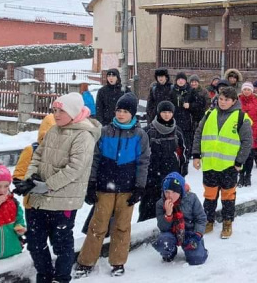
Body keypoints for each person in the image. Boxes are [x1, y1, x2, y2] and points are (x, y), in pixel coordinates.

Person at [18, 93, 101, 283]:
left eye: (60, 110)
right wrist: (30, 179)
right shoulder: (54, 130)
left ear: (72, 112)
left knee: (61, 244)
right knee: (35, 243)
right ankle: (44, 276)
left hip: (63, 200)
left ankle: (61, 278)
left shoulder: (84, 135)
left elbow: (75, 169)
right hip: (39, 199)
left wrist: (46, 186)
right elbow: (37, 156)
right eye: (54, 110)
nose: (56, 114)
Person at [75, 93, 150, 278]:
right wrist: (91, 184)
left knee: (122, 227)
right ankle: (86, 262)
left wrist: (140, 187)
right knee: (98, 226)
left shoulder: (140, 135)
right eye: (119, 110)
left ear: (132, 114)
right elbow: (95, 159)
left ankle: (118, 262)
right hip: (104, 188)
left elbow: (143, 162)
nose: (121, 114)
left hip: (127, 189)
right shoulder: (105, 131)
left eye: (125, 111)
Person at [192, 87, 253, 239]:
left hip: (229, 166)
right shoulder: (209, 114)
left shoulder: (241, 117)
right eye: (221, 99)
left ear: (233, 101)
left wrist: (240, 161)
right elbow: (198, 134)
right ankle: (208, 221)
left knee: (228, 197)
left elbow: (247, 142)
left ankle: (227, 222)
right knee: (209, 196)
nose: (223, 102)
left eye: (226, 100)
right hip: (210, 164)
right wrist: (196, 155)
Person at [139, 101, 186, 222]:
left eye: (169, 112)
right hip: (152, 174)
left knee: (171, 203)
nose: (167, 115)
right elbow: (140, 153)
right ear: (159, 113)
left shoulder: (178, 131)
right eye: (164, 112)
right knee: (148, 204)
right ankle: (145, 227)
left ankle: (170, 225)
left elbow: (183, 151)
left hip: (171, 173)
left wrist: (183, 168)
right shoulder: (148, 131)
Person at [152, 173, 208, 265]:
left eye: (174, 192)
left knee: (197, 259)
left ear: (181, 191)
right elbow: (162, 228)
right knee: (163, 242)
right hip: (171, 233)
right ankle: (171, 251)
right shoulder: (160, 204)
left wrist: (197, 234)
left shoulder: (192, 198)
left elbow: (201, 218)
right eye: (167, 192)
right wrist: (168, 215)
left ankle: (197, 248)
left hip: (190, 232)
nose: (170, 195)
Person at [14, 113, 55, 209]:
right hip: (33, 204)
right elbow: (18, 175)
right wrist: (29, 183)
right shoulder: (31, 150)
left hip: (56, 204)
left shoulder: (65, 152)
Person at [170, 72, 199, 176]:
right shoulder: (172, 91)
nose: (180, 81)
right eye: (179, 79)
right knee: (174, 145)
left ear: (185, 81)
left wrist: (190, 105)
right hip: (173, 122)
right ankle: (174, 164)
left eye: (182, 79)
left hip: (187, 123)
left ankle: (184, 165)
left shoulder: (191, 91)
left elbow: (199, 104)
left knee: (185, 145)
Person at [239, 82, 257, 184]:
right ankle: (241, 175)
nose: (246, 91)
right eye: (245, 89)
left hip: (253, 132)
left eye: (248, 90)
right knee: (240, 156)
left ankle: (248, 176)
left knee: (249, 155)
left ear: (252, 91)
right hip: (240, 132)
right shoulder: (237, 101)